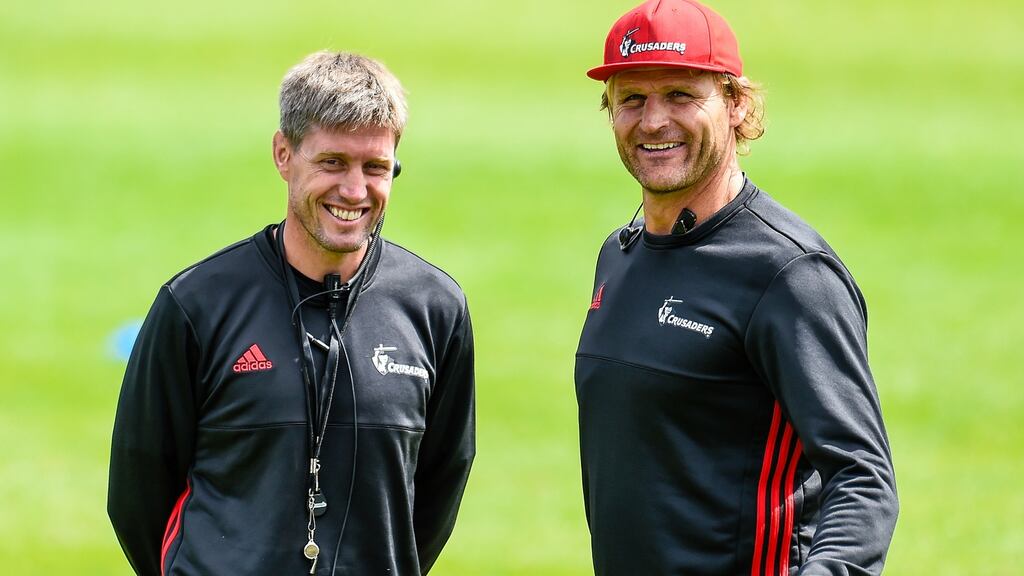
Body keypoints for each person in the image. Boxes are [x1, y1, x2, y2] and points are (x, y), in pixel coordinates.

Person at [108, 51, 475, 576]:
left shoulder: (436, 309)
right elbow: (136, 491)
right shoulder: (196, 305)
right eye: (332, 162)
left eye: (375, 167)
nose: (354, 190)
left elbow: (441, 482)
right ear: (284, 153)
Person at [574, 1, 898, 574]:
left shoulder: (787, 274)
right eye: (632, 99)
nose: (652, 121)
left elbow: (861, 476)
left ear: (736, 104)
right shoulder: (618, 255)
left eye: (680, 95)